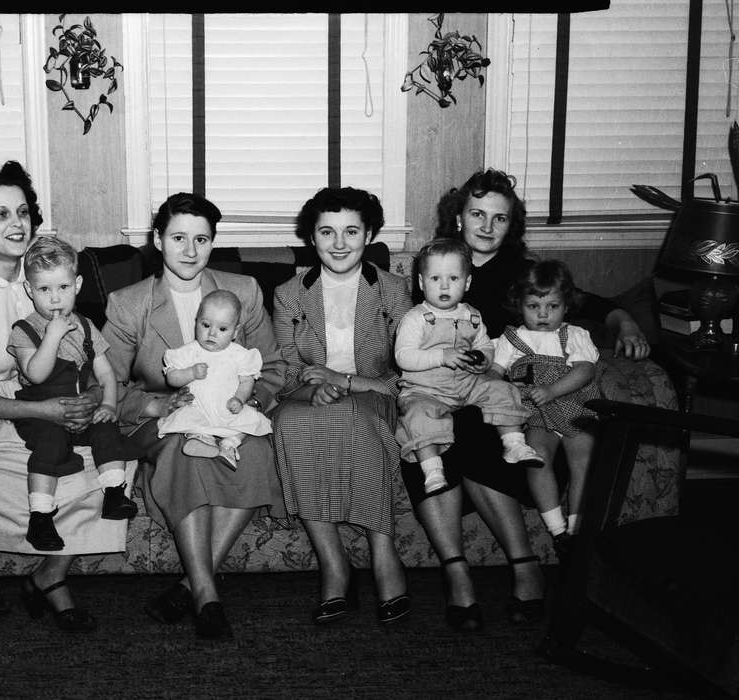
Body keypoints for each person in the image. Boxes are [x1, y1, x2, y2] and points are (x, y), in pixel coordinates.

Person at [401, 168, 650, 632]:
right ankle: (457, 575)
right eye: (477, 214)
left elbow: (589, 303)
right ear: (459, 218)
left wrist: (627, 323)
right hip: (439, 387)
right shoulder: (437, 266)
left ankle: (524, 565)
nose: (487, 226)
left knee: (477, 433)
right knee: (418, 443)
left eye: (500, 218)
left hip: (501, 398)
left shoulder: (522, 274)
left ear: (511, 224)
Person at [0, 161, 131, 633]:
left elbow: (86, 354)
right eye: (0, 214)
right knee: (70, 470)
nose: (16, 224)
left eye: (22, 212)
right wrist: (48, 410)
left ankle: (47, 574)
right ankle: (50, 580)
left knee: (115, 456)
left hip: (42, 408)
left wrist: (94, 396)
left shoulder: (43, 279)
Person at [101, 192, 287, 641]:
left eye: (201, 239)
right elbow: (103, 384)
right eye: (178, 237)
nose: (189, 251)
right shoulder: (129, 303)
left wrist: (247, 401)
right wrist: (151, 404)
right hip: (165, 418)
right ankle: (207, 595)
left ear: (212, 243)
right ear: (158, 240)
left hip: (228, 415)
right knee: (187, 452)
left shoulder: (242, 292)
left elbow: (274, 367)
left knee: (258, 452)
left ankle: (190, 587)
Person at [272, 186, 413, 626]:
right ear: (311, 238)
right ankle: (334, 564)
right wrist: (314, 387)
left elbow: (405, 372)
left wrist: (347, 381)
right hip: (307, 398)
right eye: (327, 232)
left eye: (351, 231)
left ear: (368, 234)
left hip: (373, 394)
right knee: (290, 424)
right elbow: (287, 368)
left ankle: (382, 551)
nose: (339, 243)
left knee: (353, 414)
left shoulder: (393, 290)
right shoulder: (289, 293)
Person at [8, 235, 140, 552]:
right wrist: (52, 337)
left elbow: (107, 372)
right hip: (43, 411)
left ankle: (113, 494)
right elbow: (35, 373)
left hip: (83, 404)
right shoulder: (23, 329)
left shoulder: (85, 325)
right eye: (44, 289)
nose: (55, 299)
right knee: (50, 445)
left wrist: (107, 404)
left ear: (77, 284)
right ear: (29, 290)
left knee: (107, 428)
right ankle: (40, 517)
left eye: (63, 288)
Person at [395, 238, 542, 495]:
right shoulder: (416, 318)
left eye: (453, 278)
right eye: (435, 278)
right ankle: (432, 471)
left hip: (466, 384)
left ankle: (514, 443)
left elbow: (485, 345)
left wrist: (484, 357)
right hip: (425, 389)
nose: (444, 285)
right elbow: (403, 357)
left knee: (500, 388)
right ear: (421, 283)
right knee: (418, 417)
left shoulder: (472, 315)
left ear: (467, 283)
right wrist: (441, 356)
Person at [490, 258, 601, 561]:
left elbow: (584, 371)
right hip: (537, 416)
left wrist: (552, 390)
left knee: (585, 456)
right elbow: (494, 372)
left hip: (575, 406)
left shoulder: (574, 334)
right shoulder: (511, 339)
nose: (542, 315)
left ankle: (578, 529)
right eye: (533, 306)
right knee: (537, 457)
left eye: (552, 307)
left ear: (566, 306)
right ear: (519, 305)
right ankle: (558, 531)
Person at [158, 289, 273, 469]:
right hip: (200, 407)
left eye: (222, 329)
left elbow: (247, 381)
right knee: (192, 423)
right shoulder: (189, 352)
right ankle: (202, 442)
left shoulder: (240, 355)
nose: (212, 334)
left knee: (249, 422)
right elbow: (172, 378)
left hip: (228, 408)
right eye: (205, 325)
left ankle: (230, 443)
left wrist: (240, 399)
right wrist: (190, 373)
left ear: (235, 332)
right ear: (196, 322)